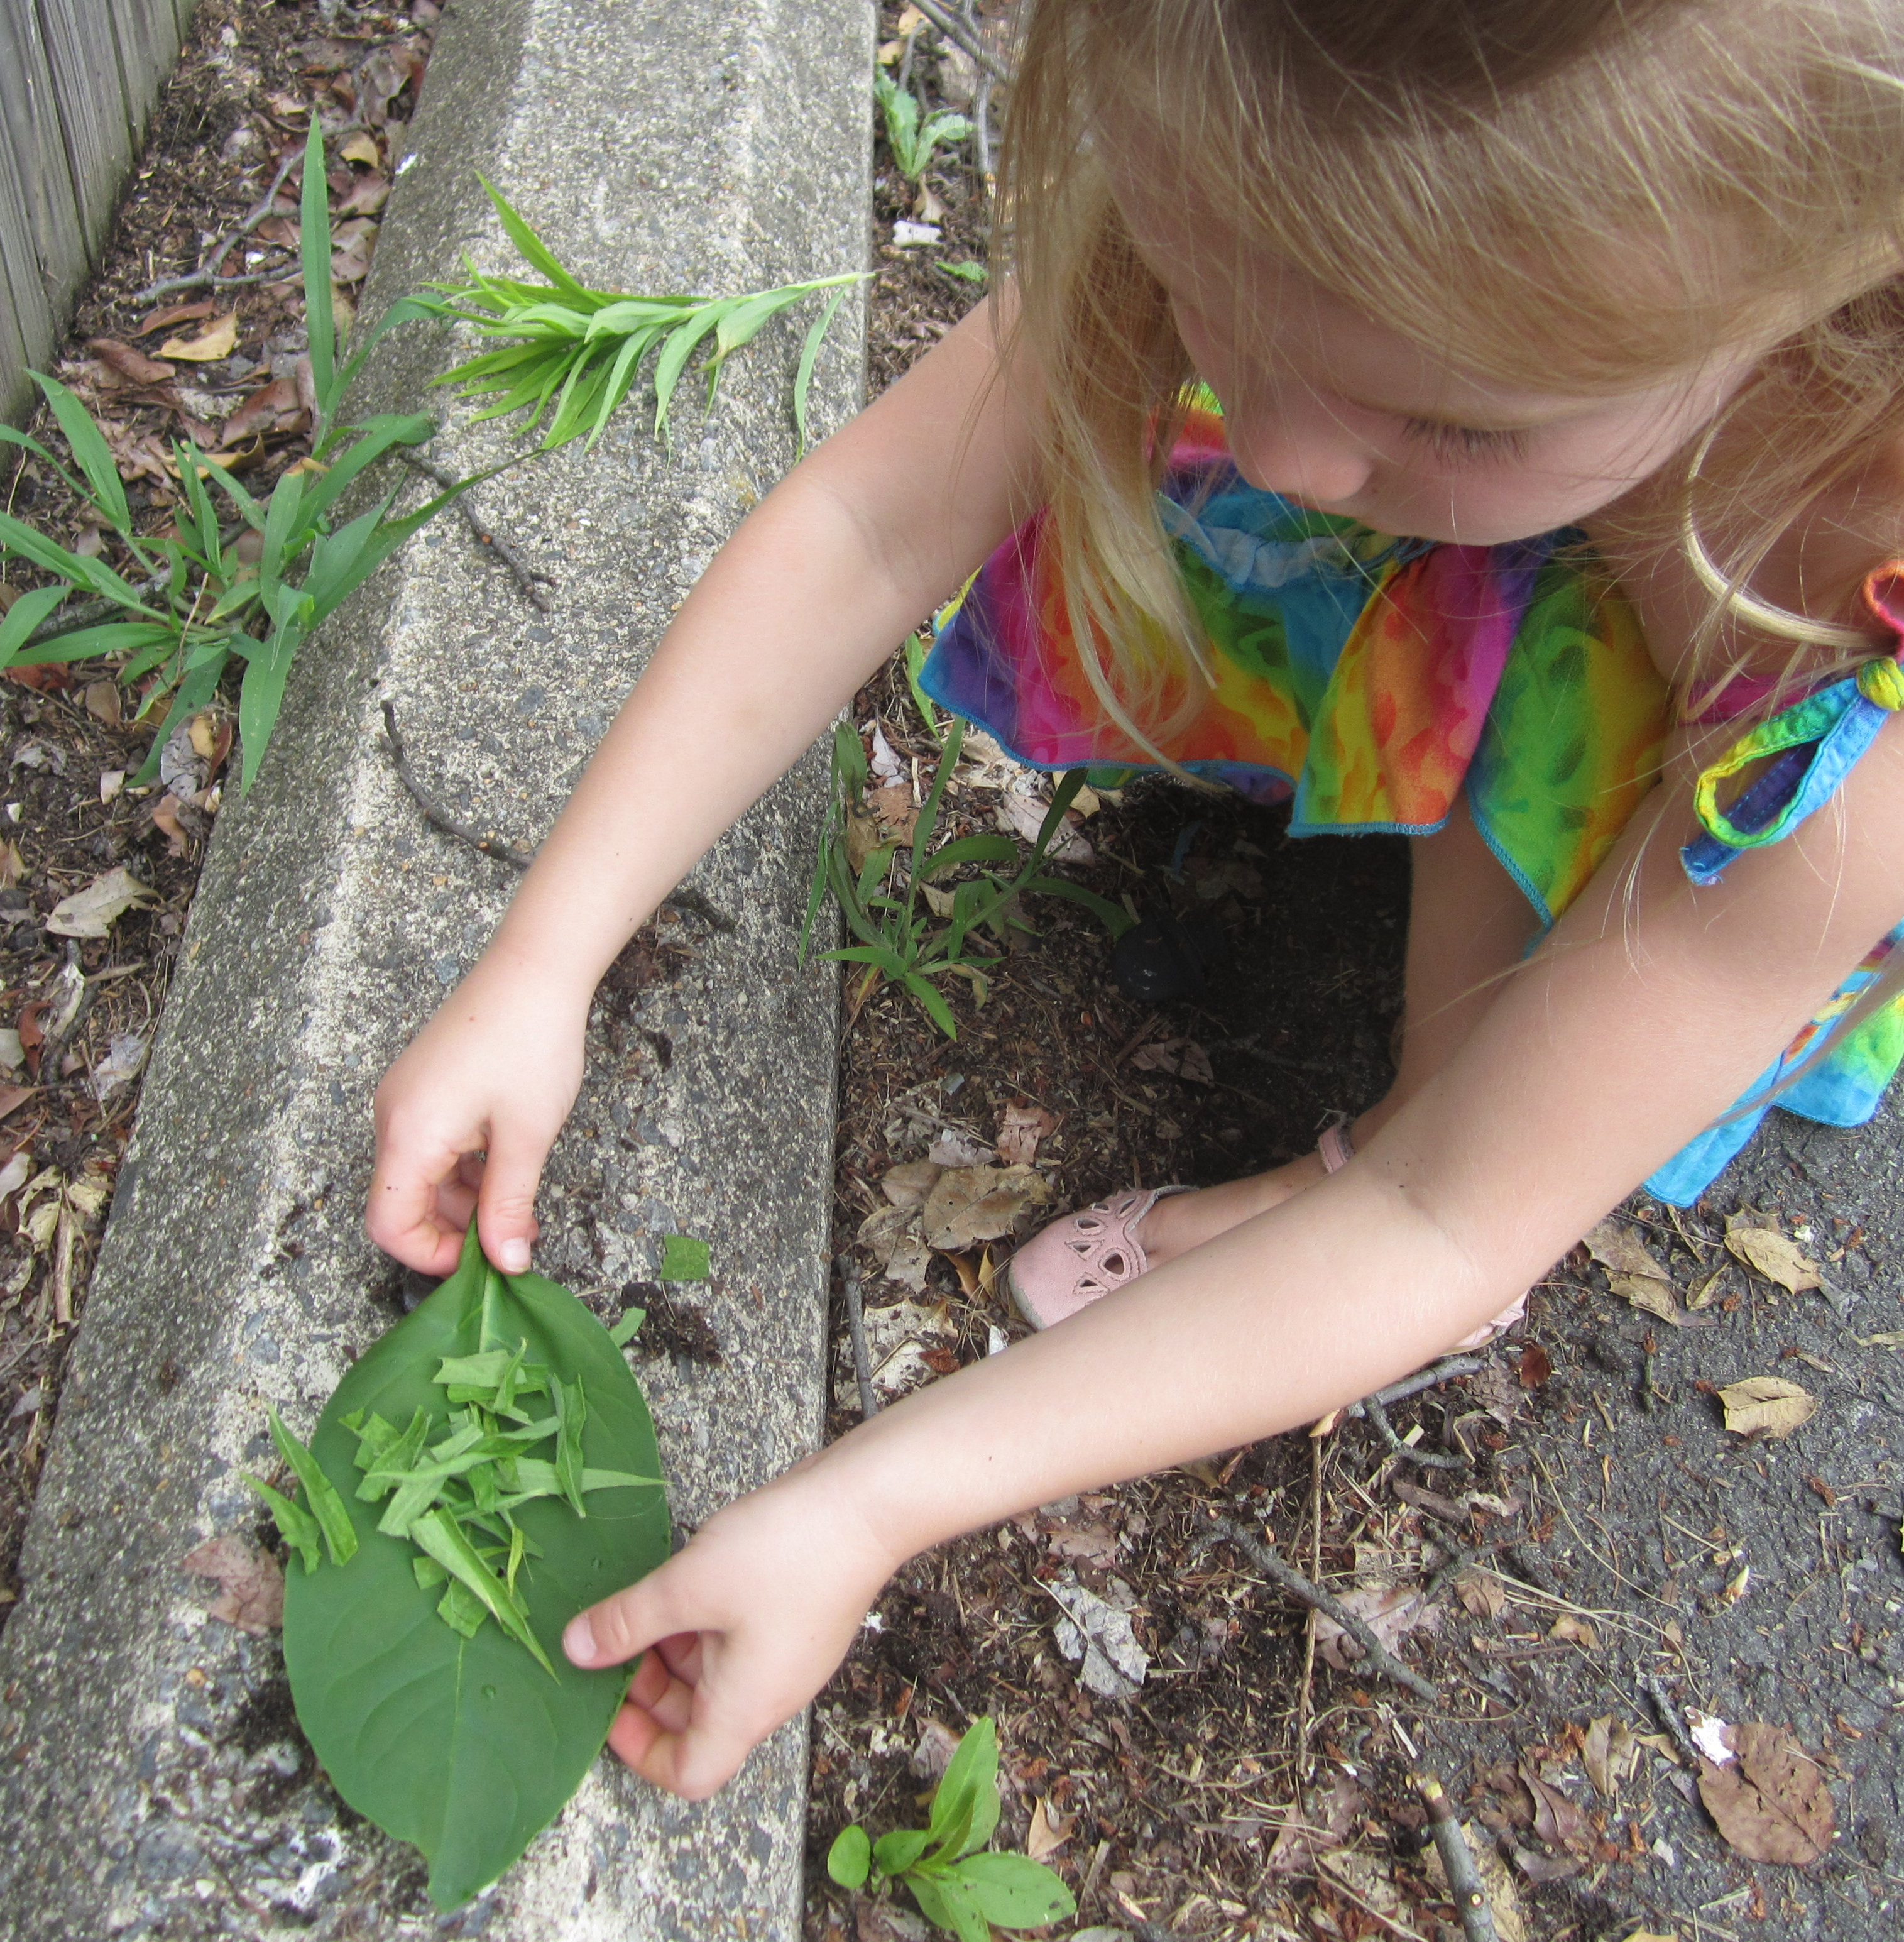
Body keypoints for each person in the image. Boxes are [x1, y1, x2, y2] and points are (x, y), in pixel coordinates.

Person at [368, 0, 1904, 1797]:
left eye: (1446, 416)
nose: (1276, 449)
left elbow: (1439, 1222)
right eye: (1201, 294)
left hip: (1763, 771)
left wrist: (880, 1496)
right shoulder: (1279, 123)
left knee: (1482, 1135)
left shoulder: (1854, 787)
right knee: (1387, 505)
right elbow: (876, 527)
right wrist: (545, 955)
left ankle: (1442, 1072)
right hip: (1608, 528)